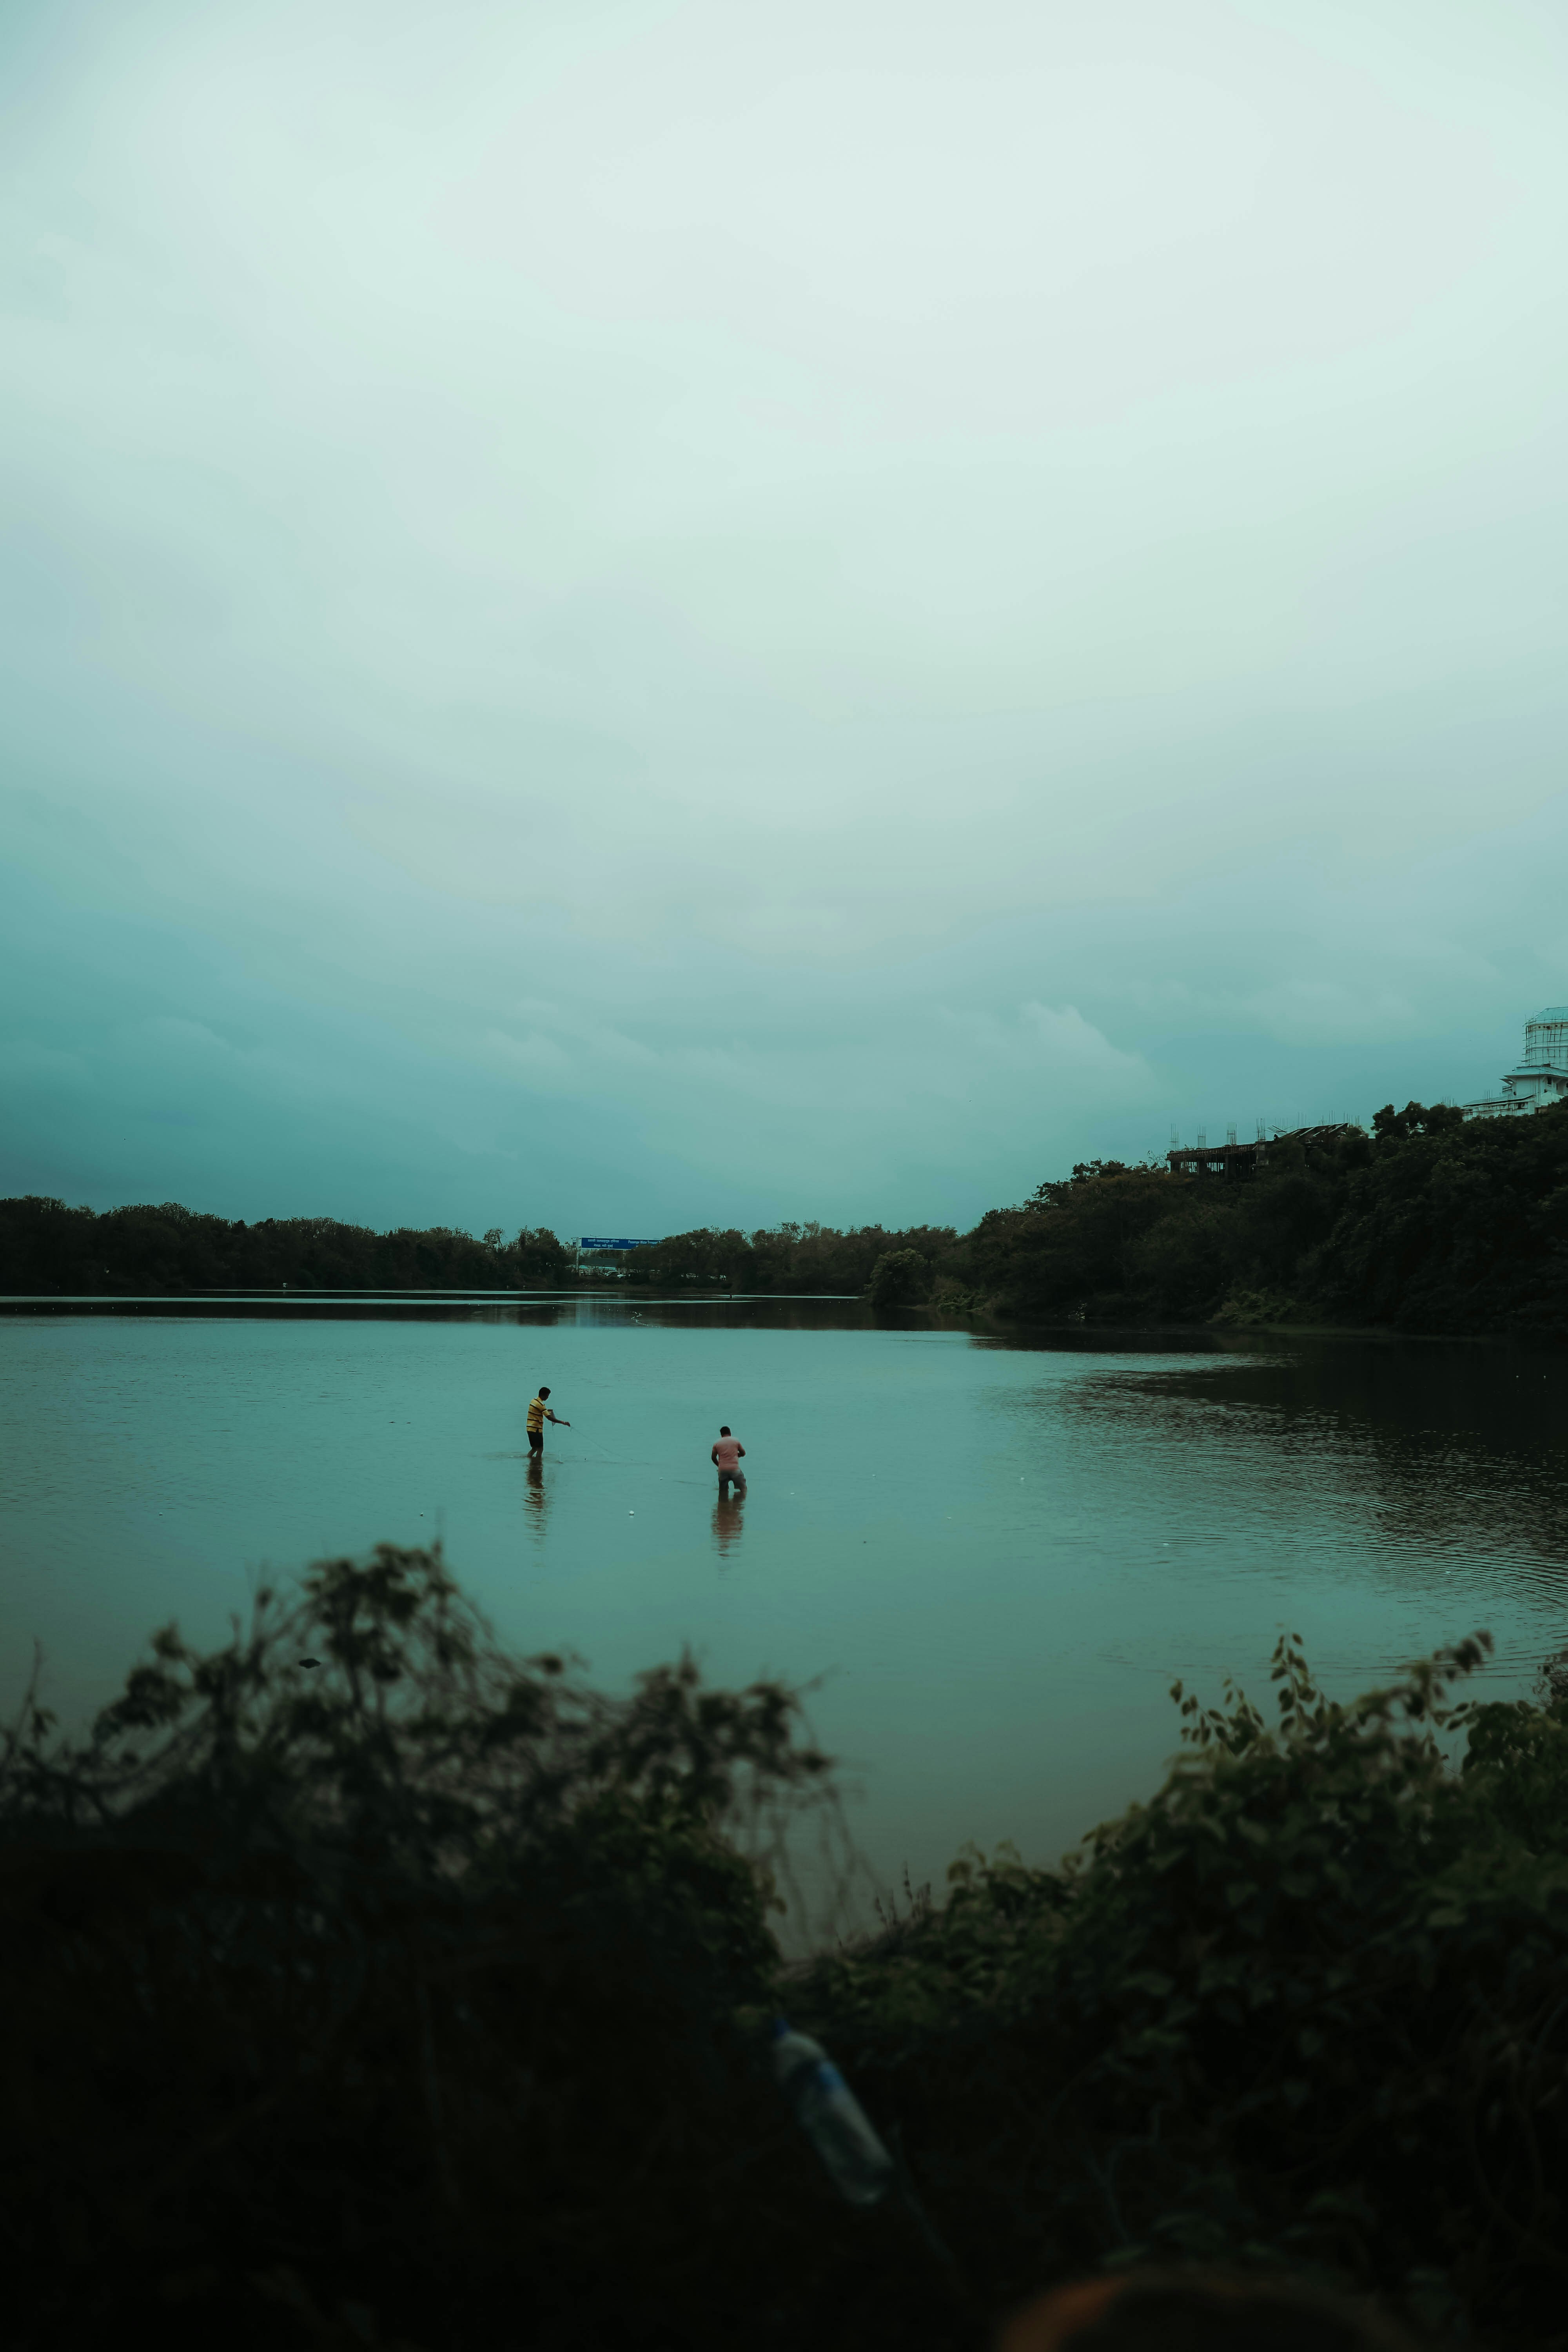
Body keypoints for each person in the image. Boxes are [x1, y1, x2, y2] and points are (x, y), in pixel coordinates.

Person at [526, 1385, 569, 1455]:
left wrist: (546, 1410)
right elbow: (549, 1418)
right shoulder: (540, 1405)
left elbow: (538, 1410)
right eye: (547, 1396)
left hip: (530, 1429)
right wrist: (563, 1422)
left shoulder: (533, 1401)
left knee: (535, 1448)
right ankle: (538, 1465)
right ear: (543, 1395)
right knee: (540, 1449)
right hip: (536, 1429)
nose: (548, 1398)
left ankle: (532, 1462)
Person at [711, 1425, 746, 1495]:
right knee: (743, 1490)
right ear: (730, 1433)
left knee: (723, 1492)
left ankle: (723, 1505)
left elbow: (713, 1458)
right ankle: (739, 1504)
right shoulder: (736, 1441)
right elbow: (743, 1453)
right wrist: (736, 1455)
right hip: (735, 1470)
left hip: (723, 1471)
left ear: (721, 1435)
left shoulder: (717, 1444)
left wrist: (719, 1466)